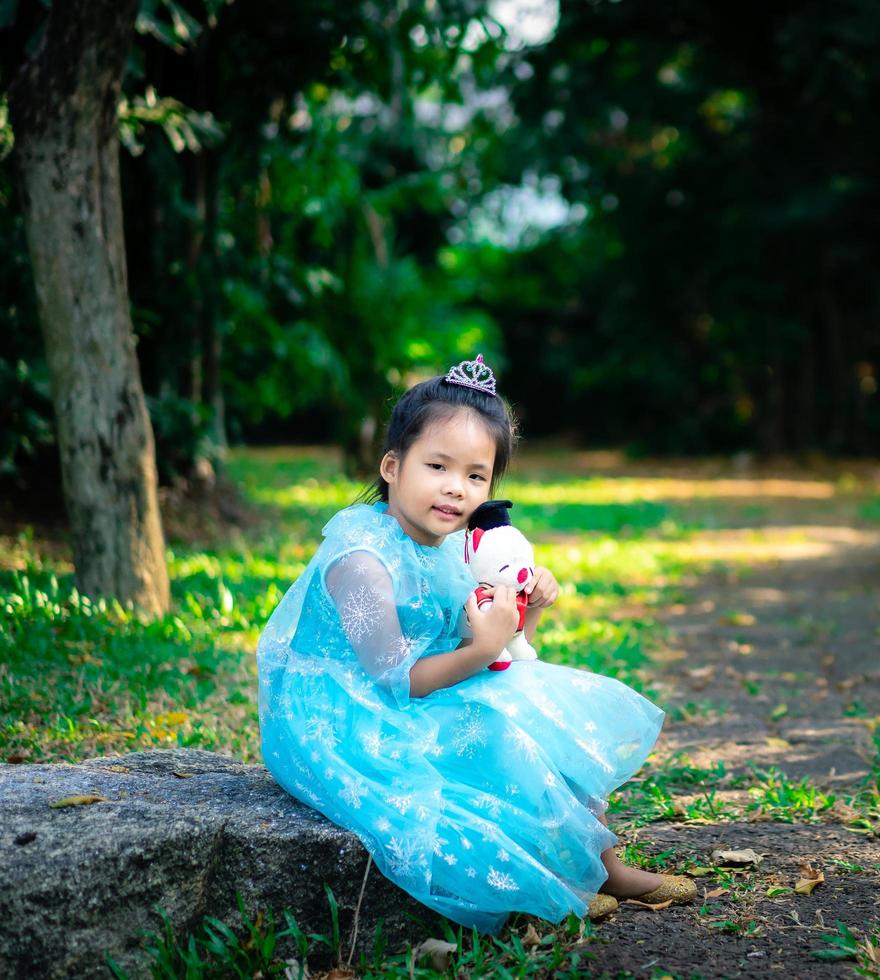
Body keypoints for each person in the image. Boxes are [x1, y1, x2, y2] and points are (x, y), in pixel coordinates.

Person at [256, 354, 693, 931]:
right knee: (492, 734)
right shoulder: (360, 558)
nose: (455, 489)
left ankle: (600, 863)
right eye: (437, 466)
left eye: (475, 476)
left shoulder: (449, 551)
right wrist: (482, 653)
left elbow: (498, 647)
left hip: (424, 678)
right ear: (392, 465)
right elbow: (397, 680)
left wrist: (526, 612)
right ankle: (550, 876)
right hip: (344, 709)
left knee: (537, 702)